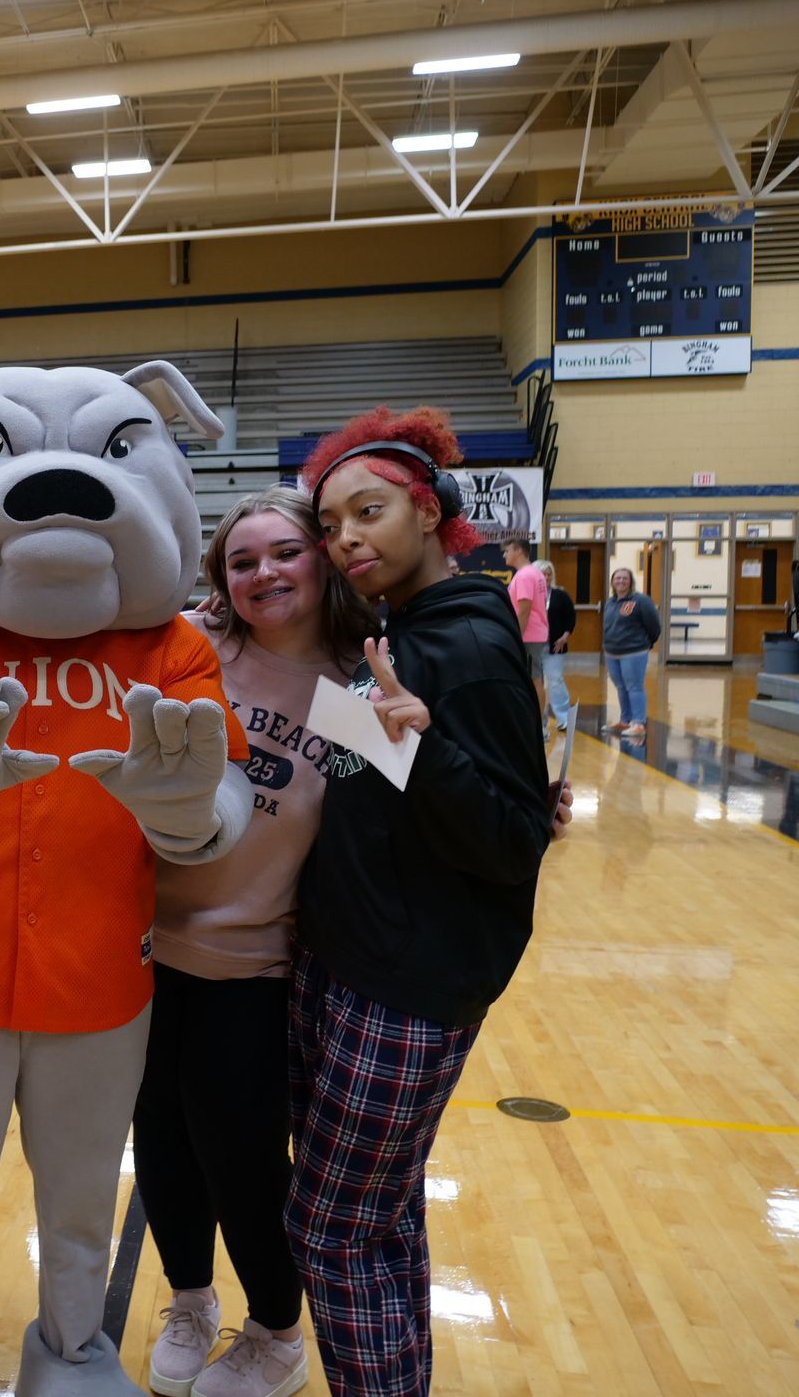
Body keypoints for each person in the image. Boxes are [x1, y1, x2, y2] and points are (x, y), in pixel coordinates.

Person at [293, 408, 550, 1397]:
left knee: (329, 1236)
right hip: (361, 959)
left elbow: (512, 838)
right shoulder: (408, 627)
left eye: (369, 513)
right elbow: (375, 778)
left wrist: (427, 745)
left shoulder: (466, 648)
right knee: (382, 1218)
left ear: (429, 510)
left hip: (405, 989)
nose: (346, 538)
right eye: (331, 525)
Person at [131, 488, 379, 1397]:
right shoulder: (193, 650)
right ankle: (190, 1300)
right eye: (242, 562)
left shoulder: (355, 689)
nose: (264, 574)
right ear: (220, 580)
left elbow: (397, 817)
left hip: (254, 962)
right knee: (156, 1135)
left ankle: (278, 1328)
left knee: (240, 1157)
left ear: (320, 559)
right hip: (143, 947)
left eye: (284, 554)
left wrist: (525, 809)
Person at [602, 567, 661, 737]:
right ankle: (625, 721)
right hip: (612, 653)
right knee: (621, 687)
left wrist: (646, 643)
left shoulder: (641, 600)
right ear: (613, 582)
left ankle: (638, 723)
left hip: (634, 653)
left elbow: (654, 626)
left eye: (624, 578)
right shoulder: (610, 602)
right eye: (617, 578)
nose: (621, 581)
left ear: (631, 581)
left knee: (634, 687)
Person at [502, 538, 549, 721]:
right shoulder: (534, 573)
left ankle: (538, 725)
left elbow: (524, 609)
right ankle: (536, 722)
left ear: (519, 551)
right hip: (534, 635)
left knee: (534, 679)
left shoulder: (524, 575)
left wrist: (516, 636)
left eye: (507, 551)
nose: (505, 555)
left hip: (528, 636)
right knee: (534, 679)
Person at [537, 559, 575, 734]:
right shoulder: (528, 595)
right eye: (542, 573)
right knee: (536, 683)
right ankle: (539, 719)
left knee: (556, 680)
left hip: (555, 647)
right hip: (533, 647)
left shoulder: (561, 595)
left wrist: (565, 636)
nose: (546, 577)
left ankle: (563, 718)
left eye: (548, 574)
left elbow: (571, 618)